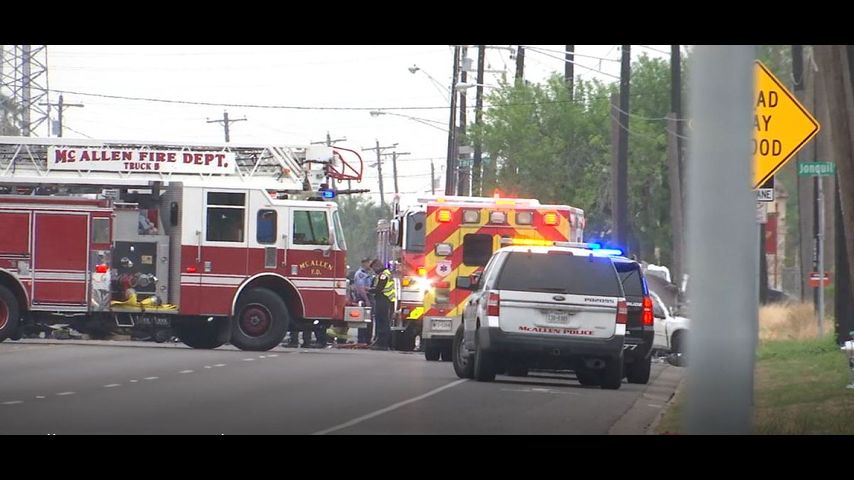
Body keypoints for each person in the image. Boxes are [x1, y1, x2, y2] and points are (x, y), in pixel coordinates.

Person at [368, 259, 395, 350]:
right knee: (382, 322)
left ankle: (382, 344)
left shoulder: (384, 275)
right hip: (384, 300)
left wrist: (368, 290)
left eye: (374, 268)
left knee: (382, 322)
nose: (374, 270)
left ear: (378, 265)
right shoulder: (384, 274)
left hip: (383, 299)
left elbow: (379, 288)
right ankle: (381, 342)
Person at [354, 257, 375, 344]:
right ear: (364, 263)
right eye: (369, 263)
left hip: (368, 297)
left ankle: (367, 339)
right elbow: (361, 288)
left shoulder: (366, 273)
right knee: (364, 320)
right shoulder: (360, 274)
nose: (370, 265)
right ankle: (362, 339)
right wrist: (366, 300)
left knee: (369, 320)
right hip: (364, 298)